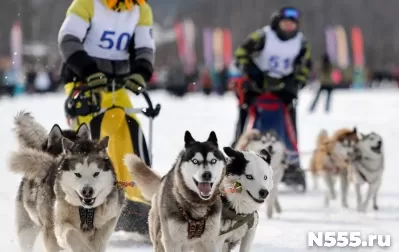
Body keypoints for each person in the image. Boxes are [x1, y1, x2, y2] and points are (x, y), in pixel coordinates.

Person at [58, 0, 155, 240]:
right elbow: (68, 40)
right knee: (91, 138)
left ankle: (129, 195)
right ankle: (87, 200)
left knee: (128, 128)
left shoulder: (140, 9)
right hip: (84, 80)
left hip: (117, 82)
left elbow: (145, 48)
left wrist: (141, 73)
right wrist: (89, 70)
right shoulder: (87, 4)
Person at [232, 6, 312, 187]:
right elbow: (240, 55)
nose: (289, 26)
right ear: (278, 22)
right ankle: (237, 160)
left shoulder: (301, 42)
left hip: (283, 90)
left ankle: (291, 166)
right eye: (285, 23)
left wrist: (297, 82)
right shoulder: (263, 36)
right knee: (246, 125)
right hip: (256, 88)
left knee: (288, 127)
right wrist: (251, 74)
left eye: (292, 24)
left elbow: (305, 66)